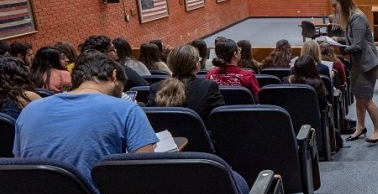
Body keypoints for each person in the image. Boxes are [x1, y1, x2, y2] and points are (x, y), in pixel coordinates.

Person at [13, 52, 158, 184]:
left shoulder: (30, 109)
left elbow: (20, 165)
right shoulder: (128, 110)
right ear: (114, 76)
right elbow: (144, 171)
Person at [329, 0, 378, 144]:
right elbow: (352, 38)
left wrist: (339, 47)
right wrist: (338, 39)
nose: (334, 9)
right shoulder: (350, 18)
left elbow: (358, 46)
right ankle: (360, 127)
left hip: (367, 63)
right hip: (358, 63)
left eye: (335, 5)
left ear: (344, 3)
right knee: (358, 97)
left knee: (366, 98)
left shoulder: (357, 18)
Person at [148, 44, 224, 126]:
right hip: (198, 138)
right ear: (196, 65)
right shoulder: (209, 86)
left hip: (166, 138)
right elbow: (219, 119)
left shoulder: (155, 88)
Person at [79, 35, 147, 90]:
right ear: (101, 55)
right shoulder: (125, 72)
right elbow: (145, 89)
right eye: (112, 49)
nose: (116, 50)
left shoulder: (81, 76)